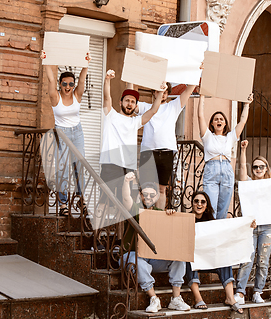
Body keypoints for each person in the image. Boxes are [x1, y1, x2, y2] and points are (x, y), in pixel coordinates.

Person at [234, 140, 271, 305]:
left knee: (263, 261)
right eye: (255, 167)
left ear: (267, 168)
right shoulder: (249, 183)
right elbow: (242, 172)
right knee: (247, 259)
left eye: (261, 167)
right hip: (251, 227)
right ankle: (240, 292)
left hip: (268, 227)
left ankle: (257, 292)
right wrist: (243, 151)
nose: (258, 169)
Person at [121, 172, 190, 313]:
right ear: (140, 196)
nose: (148, 197)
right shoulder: (135, 209)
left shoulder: (160, 212)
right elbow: (126, 198)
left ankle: (176, 299)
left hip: (153, 258)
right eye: (145, 194)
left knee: (179, 258)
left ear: (157, 197)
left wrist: (171, 216)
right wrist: (126, 181)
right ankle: (154, 298)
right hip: (133, 255)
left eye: (152, 195)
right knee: (137, 263)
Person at [98, 70, 166, 210]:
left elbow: (153, 110)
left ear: (135, 106)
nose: (129, 104)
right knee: (105, 200)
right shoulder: (111, 115)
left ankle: (118, 232)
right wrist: (107, 80)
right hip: (110, 163)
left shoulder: (135, 121)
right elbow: (106, 98)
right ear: (121, 102)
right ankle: (99, 230)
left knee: (125, 202)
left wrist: (160, 93)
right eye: (127, 100)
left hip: (127, 167)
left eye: (133, 102)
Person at [132, 82, 199, 210]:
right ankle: (145, 222)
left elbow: (188, 91)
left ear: (168, 93)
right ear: (153, 92)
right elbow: (131, 104)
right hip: (148, 152)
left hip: (166, 152)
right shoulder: (145, 107)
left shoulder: (173, 106)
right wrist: (130, 80)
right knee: (146, 189)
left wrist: (196, 73)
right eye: (159, 90)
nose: (162, 93)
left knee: (161, 190)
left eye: (165, 91)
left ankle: (158, 219)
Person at [40, 50, 90, 216]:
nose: (68, 87)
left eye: (70, 84)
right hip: (62, 133)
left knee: (79, 167)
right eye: (64, 84)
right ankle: (63, 205)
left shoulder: (77, 95)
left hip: (78, 132)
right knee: (62, 169)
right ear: (60, 85)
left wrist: (86, 64)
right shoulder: (55, 98)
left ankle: (81, 200)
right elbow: (50, 78)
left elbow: (83, 79)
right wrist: (45, 60)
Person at [184, 191, 250, 314]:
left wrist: (248, 225)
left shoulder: (212, 222)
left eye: (203, 202)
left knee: (225, 259)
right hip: (194, 260)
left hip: (209, 260)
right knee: (188, 258)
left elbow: (227, 235)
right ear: (192, 204)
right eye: (196, 201)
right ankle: (198, 299)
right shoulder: (186, 220)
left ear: (206, 204)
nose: (199, 204)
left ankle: (230, 298)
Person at [197, 94, 253, 219]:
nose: (219, 121)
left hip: (227, 170)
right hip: (211, 170)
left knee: (223, 208)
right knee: (210, 207)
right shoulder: (207, 136)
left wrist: (247, 104)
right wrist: (202, 97)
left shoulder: (230, 137)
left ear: (225, 123)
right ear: (211, 123)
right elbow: (200, 116)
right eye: (216, 119)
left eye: (221, 119)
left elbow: (242, 121)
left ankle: (219, 235)